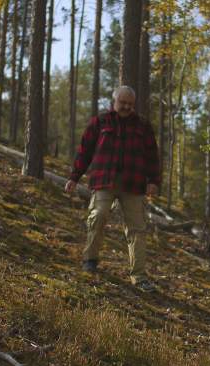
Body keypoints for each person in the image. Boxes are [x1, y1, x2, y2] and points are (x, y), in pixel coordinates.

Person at [65, 86, 161, 292]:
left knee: (137, 229)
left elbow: (153, 156)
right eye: (122, 103)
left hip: (133, 184)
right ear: (114, 101)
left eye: (130, 104)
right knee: (98, 216)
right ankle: (90, 260)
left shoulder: (143, 126)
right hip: (103, 181)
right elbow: (84, 152)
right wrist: (74, 177)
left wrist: (154, 180)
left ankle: (139, 276)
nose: (126, 107)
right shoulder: (99, 122)